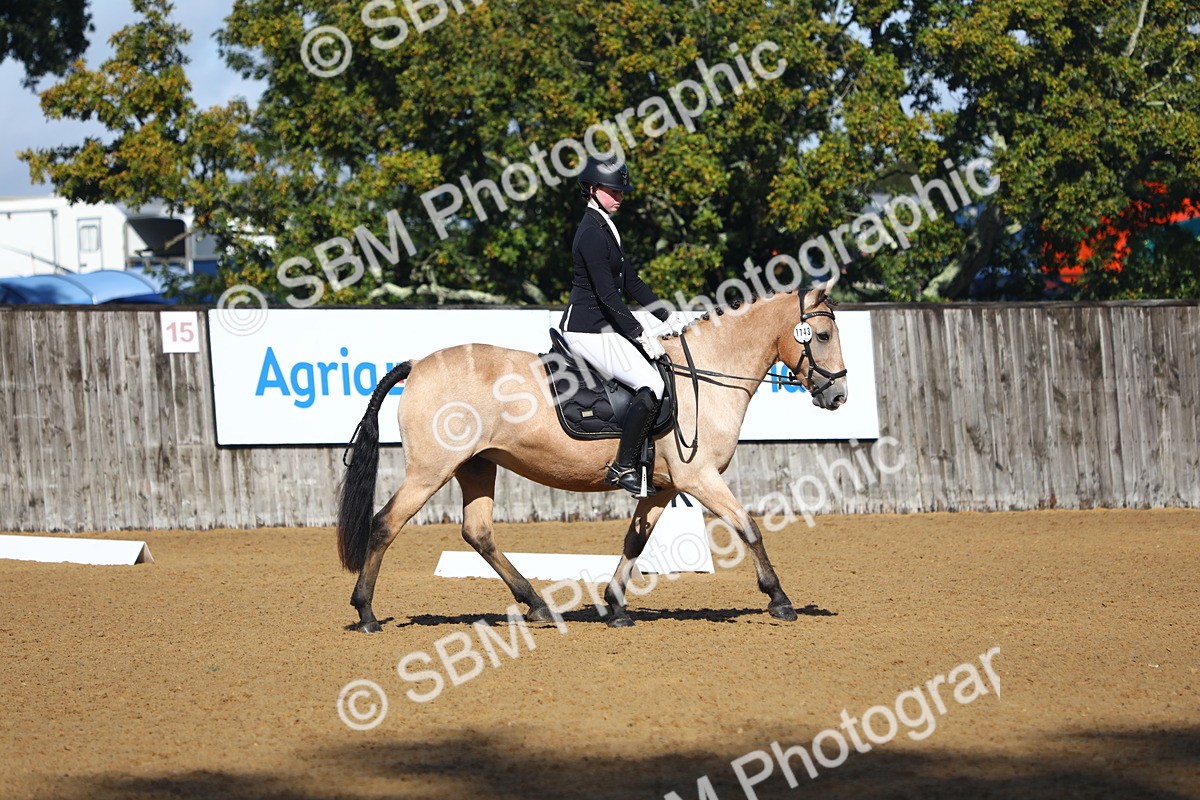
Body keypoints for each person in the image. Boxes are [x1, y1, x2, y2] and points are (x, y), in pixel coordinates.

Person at [559, 156, 688, 496]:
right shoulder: (591, 232)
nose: (619, 197)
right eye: (613, 191)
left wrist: (667, 315)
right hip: (587, 328)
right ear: (592, 189)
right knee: (651, 383)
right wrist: (639, 334)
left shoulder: (606, 226)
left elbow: (631, 281)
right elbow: (607, 296)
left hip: (602, 326)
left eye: (621, 191)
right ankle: (623, 466)